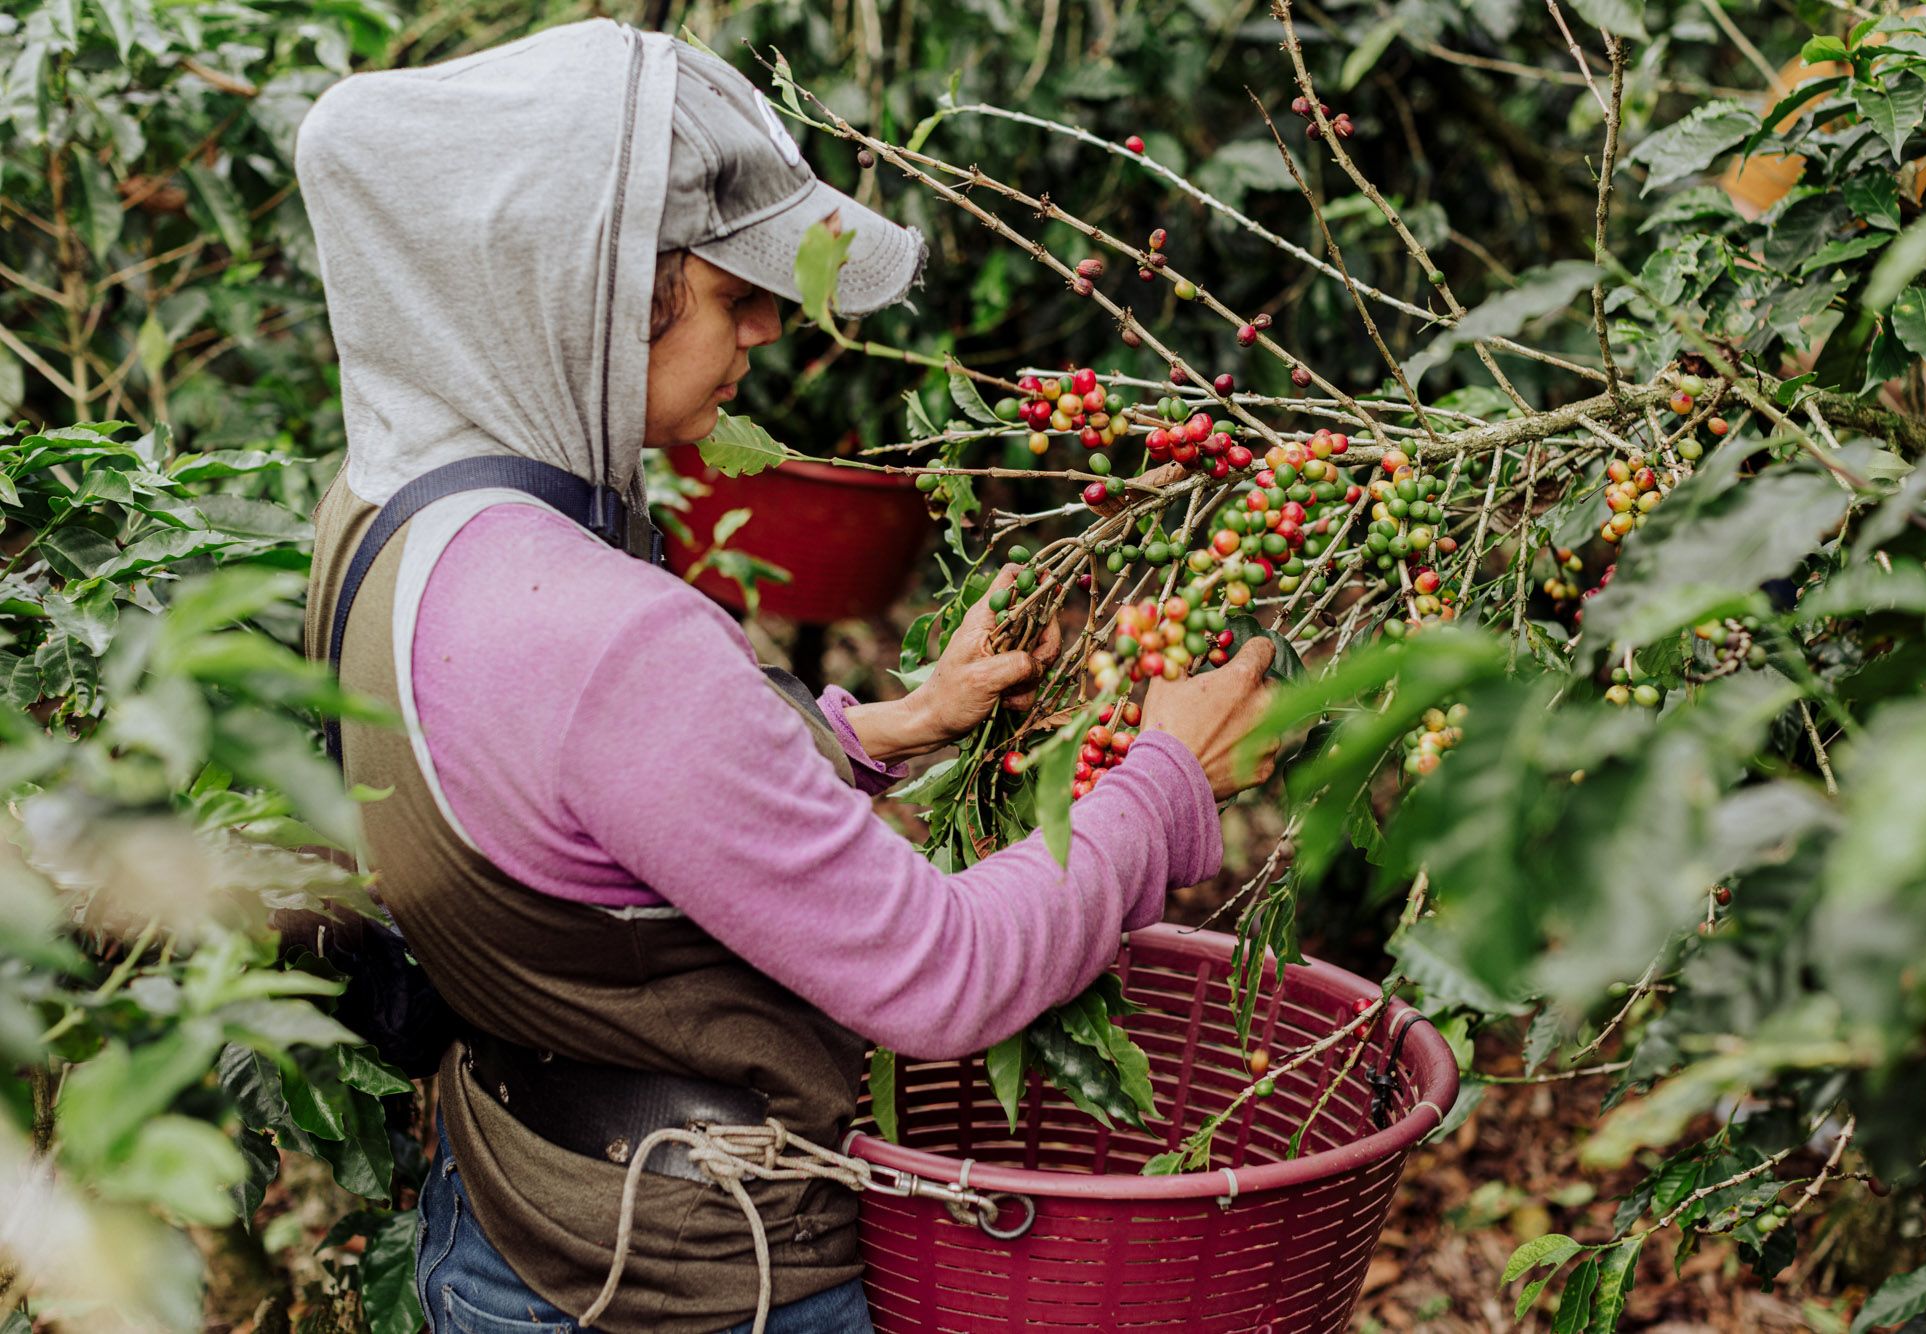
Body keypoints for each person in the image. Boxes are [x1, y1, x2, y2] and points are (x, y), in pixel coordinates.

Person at [295, 19, 1277, 1334]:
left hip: (510, 1217)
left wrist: (894, 720)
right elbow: (948, 972)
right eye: (728, 288)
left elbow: (570, 798)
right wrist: (1169, 779)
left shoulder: (382, 511)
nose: (768, 325)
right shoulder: (616, 641)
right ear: (582, 286)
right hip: (697, 1277)